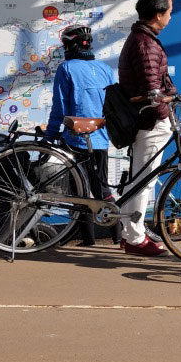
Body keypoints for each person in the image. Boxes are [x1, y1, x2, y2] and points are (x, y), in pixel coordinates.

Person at [43, 24, 116, 246]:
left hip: (76, 139)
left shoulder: (66, 69)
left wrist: (49, 136)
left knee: (79, 191)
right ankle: (118, 237)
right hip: (101, 138)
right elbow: (113, 105)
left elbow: (60, 107)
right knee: (101, 187)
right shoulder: (105, 69)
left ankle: (88, 240)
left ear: (69, 46)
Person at [116, 0, 176, 257]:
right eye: (169, 12)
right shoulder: (145, 43)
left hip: (148, 119)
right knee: (144, 180)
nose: (171, 17)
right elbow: (152, 89)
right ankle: (134, 238)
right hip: (151, 121)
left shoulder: (143, 38)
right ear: (158, 14)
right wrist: (165, 117)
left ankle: (132, 233)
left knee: (140, 178)